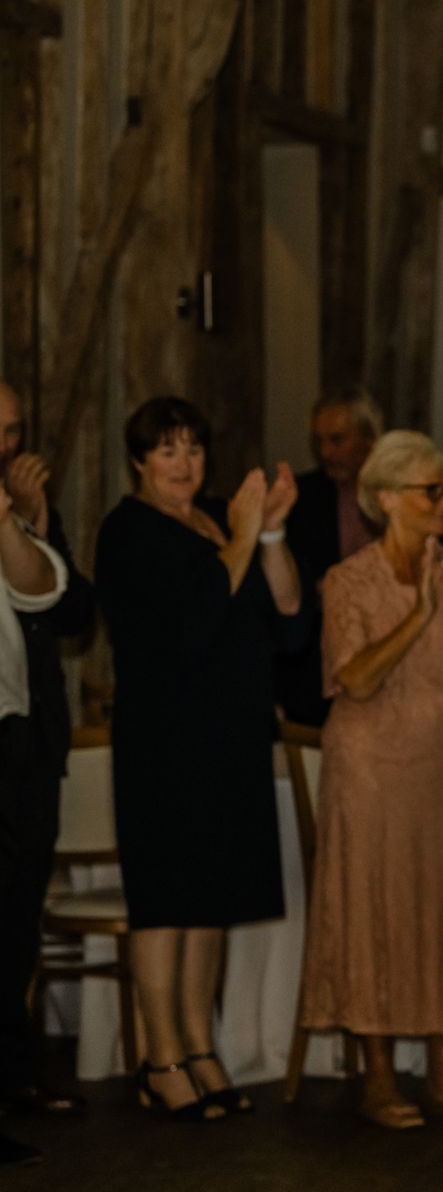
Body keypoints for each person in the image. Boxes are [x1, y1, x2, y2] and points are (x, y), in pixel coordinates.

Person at [95, 397, 306, 1121]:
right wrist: (244, 536)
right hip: (165, 741)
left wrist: (270, 531)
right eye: (167, 451)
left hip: (233, 736)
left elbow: (287, 614)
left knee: (213, 898)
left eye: (192, 448)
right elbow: (190, 622)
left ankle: (200, 1045)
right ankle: (160, 1059)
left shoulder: (224, 517)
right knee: (167, 902)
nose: (184, 464)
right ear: (139, 462)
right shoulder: (127, 532)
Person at [297, 432, 443, 1129]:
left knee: (442, 910)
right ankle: (380, 1078)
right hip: (372, 773)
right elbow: (352, 676)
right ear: (386, 499)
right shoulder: (347, 580)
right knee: (373, 912)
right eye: (430, 490)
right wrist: (419, 615)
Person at [0, 383, 85, 1164]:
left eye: (14, 431)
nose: (7, 446)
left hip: (21, 746)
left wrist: (23, 520)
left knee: (14, 923)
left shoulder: (14, 511)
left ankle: (12, 1077)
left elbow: (62, 605)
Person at [278, 389, 443, 725]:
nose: (326, 452)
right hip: (329, 673)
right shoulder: (302, 498)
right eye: (318, 441)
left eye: (337, 440)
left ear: (369, 438)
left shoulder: (429, 498)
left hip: (427, 684)